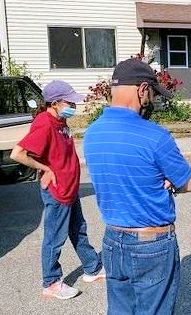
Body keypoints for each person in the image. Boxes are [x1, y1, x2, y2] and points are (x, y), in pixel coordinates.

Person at [84, 58, 191, 314]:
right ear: (143, 89)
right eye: (152, 94)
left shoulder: (92, 133)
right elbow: (190, 183)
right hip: (152, 243)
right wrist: (170, 182)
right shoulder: (155, 136)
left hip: (113, 239)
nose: (152, 100)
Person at [10, 80, 105, 300]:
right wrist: (46, 169)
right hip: (57, 192)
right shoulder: (44, 123)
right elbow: (18, 153)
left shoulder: (60, 121)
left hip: (70, 189)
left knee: (78, 231)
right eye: (69, 101)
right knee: (55, 238)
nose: (74, 105)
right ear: (54, 103)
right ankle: (51, 282)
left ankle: (92, 268)